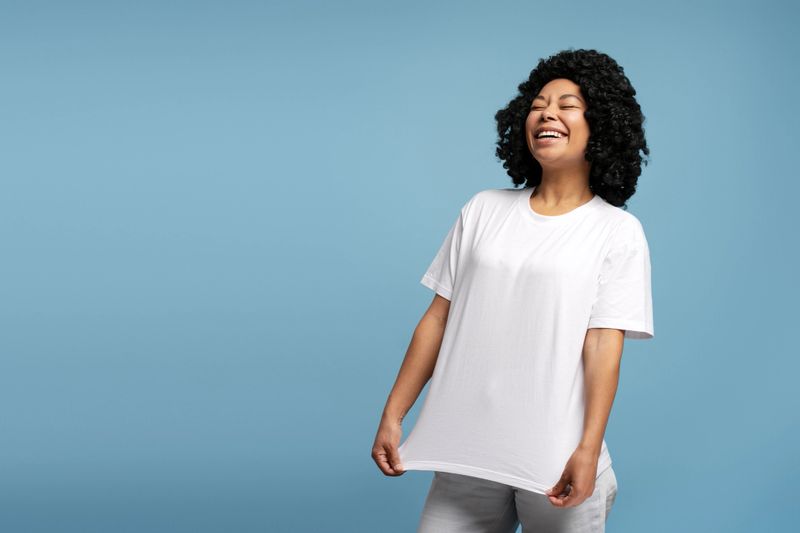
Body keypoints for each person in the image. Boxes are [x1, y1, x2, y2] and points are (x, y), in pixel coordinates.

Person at [371, 48, 654, 533]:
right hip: (466, 457)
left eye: (568, 104)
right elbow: (437, 318)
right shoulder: (483, 209)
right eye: (540, 103)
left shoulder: (616, 232)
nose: (547, 113)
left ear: (600, 124)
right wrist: (394, 413)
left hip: (556, 462)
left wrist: (587, 449)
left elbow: (603, 344)